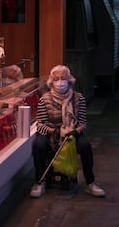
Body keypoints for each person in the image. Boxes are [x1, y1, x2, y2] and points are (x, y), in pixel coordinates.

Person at [30, 65, 105, 198]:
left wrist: (76, 131)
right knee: (38, 145)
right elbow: (40, 124)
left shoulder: (78, 98)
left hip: (72, 132)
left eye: (63, 78)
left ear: (69, 80)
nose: (60, 82)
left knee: (85, 146)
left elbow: (82, 122)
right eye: (56, 79)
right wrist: (52, 131)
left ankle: (90, 183)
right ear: (51, 81)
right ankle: (39, 182)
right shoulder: (44, 99)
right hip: (51, 133)